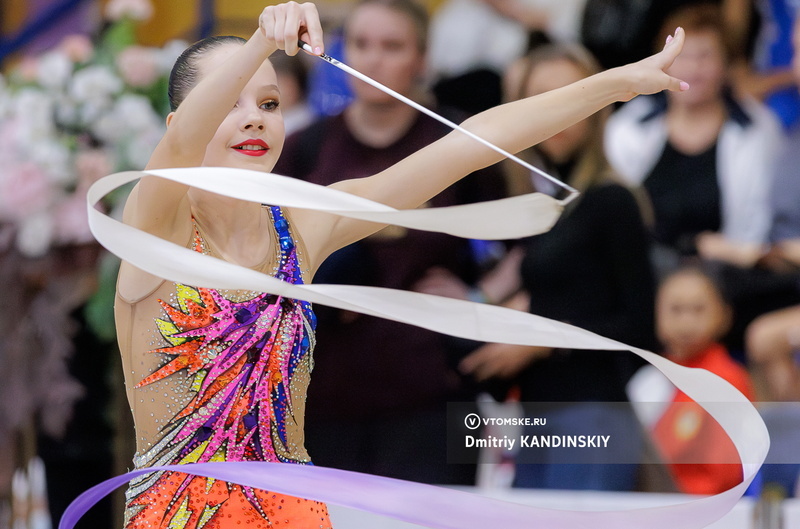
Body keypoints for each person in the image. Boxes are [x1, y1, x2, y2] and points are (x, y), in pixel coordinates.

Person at [112, 1, 689, 526]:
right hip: (179, 515)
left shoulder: (302, 228)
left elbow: (470, 143)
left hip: (292, 513)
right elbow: (185, 143)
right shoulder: (152, 223)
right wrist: (261, 43)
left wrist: (611, 85)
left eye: (269, 103)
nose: (256, 118)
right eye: (230, 99)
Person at [273, 0, 505, 486]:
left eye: (392, 46)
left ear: (422, 58)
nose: (373, 60)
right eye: (361, 44)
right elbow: (268, 258)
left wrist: (483, 299)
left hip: (430, 394)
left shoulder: (459, 143)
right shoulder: (306, 148)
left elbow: (522, 242)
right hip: (325, 392)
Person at [418, 42, 657, 491]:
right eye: (544, 99)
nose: (560, 112)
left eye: (573, 94)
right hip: (535, 413)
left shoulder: (612, 201)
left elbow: (639, 328)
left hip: (592, 412)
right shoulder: (538, 203)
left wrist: (538, 343)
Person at [604, 3, 783, 274]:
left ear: (727, 64)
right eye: (682, 56)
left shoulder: (760, 130)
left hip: (727, 275)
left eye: (705, 56)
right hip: (638, 270)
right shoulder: (628, 126)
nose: (693, 69)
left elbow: (759, 225)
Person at [646, 267, 755, 495]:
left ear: (725, 315)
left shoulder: (727, 379)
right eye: (676, 309)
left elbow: (723, 472)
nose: (687, 321)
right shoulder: (647, 380)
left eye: (699, 309)